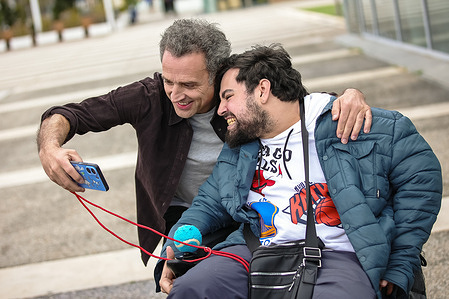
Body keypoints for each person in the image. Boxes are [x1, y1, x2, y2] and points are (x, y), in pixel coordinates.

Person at [36, 19, 371, 267]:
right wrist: (50, 148)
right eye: (169, 80)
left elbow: (298, 107)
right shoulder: (150, 96)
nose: (176, 95)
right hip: (185, 220)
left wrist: (348, 97)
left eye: (189, 84)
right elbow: (68, 114)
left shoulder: (242, 82)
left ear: (217, 74)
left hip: (252, 212)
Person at [158, 44, 442, 298]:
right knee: (192, 289)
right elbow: (210, 201)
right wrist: (179, 241)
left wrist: (402, 260)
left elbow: (421, 179)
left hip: (338, 255)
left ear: (262, 90)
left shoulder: (350, 121)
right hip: (254, 249)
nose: (221, 109)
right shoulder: (240, 147)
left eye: (228, 96)